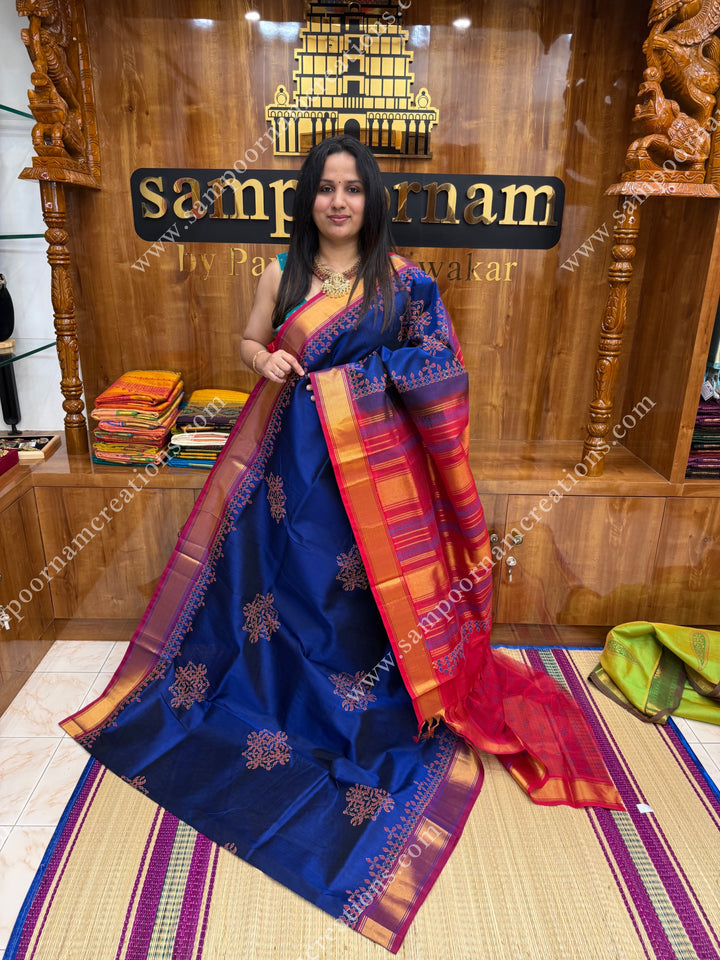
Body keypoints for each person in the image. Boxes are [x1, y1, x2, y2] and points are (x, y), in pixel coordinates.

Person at [62, 136, 622, 952]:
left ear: (372, 200)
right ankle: (281, 697)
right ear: (308, 199)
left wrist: (355, 384)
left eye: (352, 190)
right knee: (284, 593)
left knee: (358, 599)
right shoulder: (281, 275)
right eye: (325, 189)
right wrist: (271, 360)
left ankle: (361, 704)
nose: (337, 202)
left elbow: (441, 368)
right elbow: (248, 345)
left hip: (377, 476)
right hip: (293, 468)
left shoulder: (405, 284)